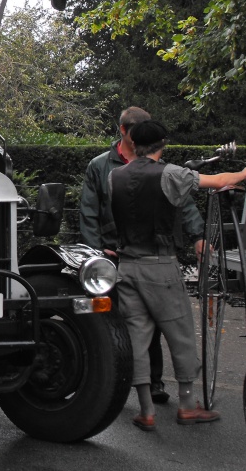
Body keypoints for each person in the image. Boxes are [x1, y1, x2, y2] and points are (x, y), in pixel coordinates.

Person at [109, 120, 246, 431]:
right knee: (180, 333)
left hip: (126, 266)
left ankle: (146, 410)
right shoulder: (171, 174)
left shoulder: (115, 176)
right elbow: (217, 180)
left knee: (137, 338)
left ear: (133, 143)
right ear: (162, 143)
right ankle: (188, 405)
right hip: (159, 265)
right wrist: (245, 173)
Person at [79, 106, 205, 404]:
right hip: (114, 253)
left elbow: (183, 203)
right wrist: (95, 253)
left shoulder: (154, 167)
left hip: (139, 254)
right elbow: (88, 212)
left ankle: (153, 387)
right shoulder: (100, 166)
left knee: (146, 324)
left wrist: (198, 234)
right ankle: (125, 385)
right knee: (124, 323)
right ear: (123, 131)